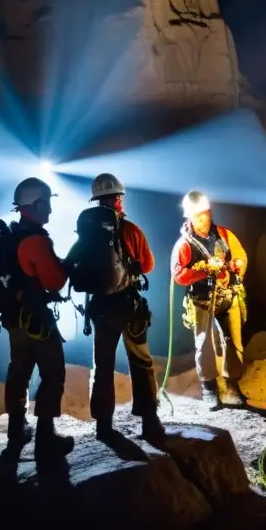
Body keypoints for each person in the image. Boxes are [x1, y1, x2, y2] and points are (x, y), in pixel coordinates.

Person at [84, 173, 166, 442]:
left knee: (103, 364)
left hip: (101, 308)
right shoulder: (130, 230)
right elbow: (149, 265)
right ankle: (149, 421)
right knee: (141, 361)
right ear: (119, 199)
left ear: (96, 201)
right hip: (128, 306)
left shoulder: (87, 231)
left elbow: (76, 263)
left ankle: (103, 425)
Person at [3, 177, 74, 456]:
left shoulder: (11, 236)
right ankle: (46, 436)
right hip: (36, 321)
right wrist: (67, 266)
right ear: (35, 204)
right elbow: (54, 282)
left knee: (19, 370)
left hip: (13, 319)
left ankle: (16, 430)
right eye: (47, 203)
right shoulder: (35, 241)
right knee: (53, 370)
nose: (51, 210)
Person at [170, 190, 248, 410]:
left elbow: (241, 255)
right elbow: (179, 276)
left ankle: (232, 385)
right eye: (197, 215)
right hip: (202, 299)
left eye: (205, 213)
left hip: (227, 295)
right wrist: (203, 270)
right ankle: (210, 388)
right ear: (189, 217)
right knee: (205, 344)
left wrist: (237, 268)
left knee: (234, 341)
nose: (203, 219)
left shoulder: (224, 235)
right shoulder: (184, 245)